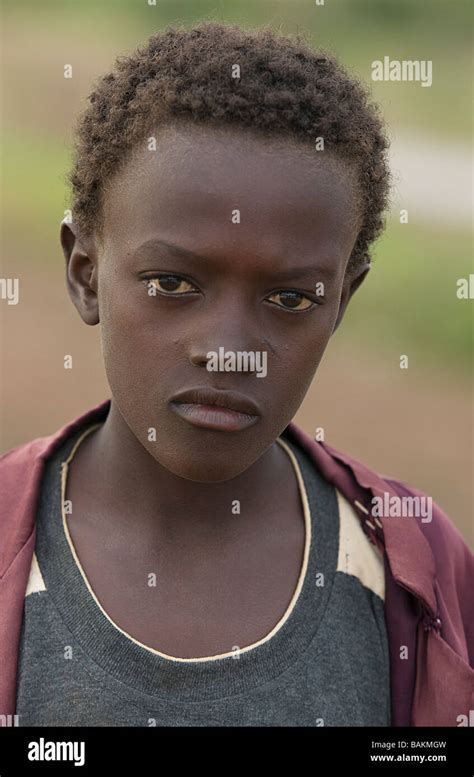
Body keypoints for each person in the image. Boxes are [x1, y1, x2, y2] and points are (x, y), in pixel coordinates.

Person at [0, 21, 472, 728]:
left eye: (290, 299)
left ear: (343, 299)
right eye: (171, 282)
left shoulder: (414, 569)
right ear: (85, 272)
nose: (229, 350)